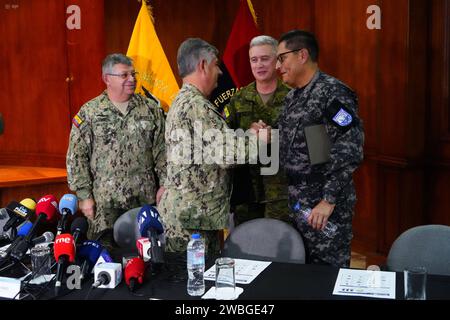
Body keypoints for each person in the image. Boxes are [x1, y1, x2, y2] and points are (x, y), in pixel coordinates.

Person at [159, 38, 265, 257]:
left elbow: (209, 146)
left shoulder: (182, 100)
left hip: (189, 214)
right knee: (195, 282)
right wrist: (261, 140)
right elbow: (227, 154)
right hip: (193, 220)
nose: (220, 71)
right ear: (203, 66)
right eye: (216, 64)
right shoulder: (198, 106)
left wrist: (248, 135)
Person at [276, 30, 364, 267]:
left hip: (324, 207)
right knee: (300, 271)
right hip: (298, 204)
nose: (278, 66)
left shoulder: (332, 92)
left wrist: (328, 199)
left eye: (282, 58)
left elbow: (349, 146)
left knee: (327, 273)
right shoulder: (292, 97)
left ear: (302, 55)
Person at [66, 53, 166, 248]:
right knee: (107, 259)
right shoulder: (90, 112)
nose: (132, 79)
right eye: (124, 75)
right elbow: (76, 157)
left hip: (144, 202)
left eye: (133, 74)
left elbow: (163, 151)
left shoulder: (150, 109)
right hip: (105, 205)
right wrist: (84, 196)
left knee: (146, 259)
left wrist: (164, 184)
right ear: (107, 79)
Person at [224, 35, 290, 225]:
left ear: (277, 60)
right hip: (247, 193)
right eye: (254, 60)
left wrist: (274, 137)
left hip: (281, 193)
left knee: (280, 248)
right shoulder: (238, 100)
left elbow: (303, 145)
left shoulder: (293, 98)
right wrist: (248, 135)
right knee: (248, 247)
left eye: (265, 58)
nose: (259, 65)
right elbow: (226, 144)